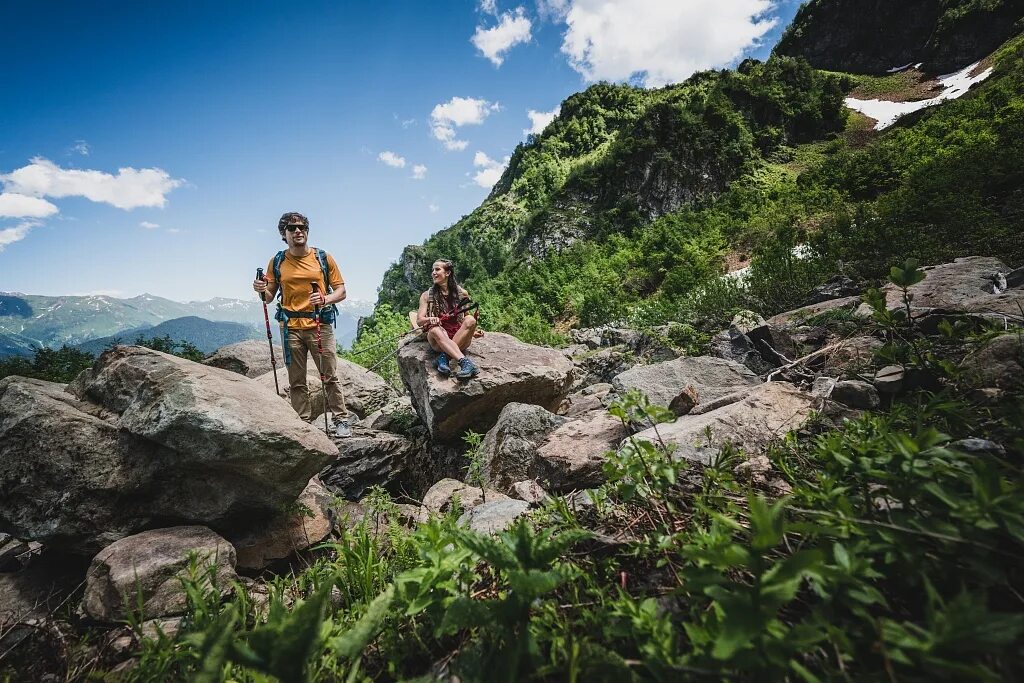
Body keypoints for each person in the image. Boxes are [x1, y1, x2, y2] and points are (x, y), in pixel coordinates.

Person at [253, 212, 352, 437]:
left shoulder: (323, 258)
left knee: (329, 374)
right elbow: (269, 297)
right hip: (290, 326)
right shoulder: (277, 261)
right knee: (296, 379)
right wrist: (261, 289)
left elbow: (342, 291)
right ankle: (303, 422)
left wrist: (326, 299)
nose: (298, 231)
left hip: (319, 322)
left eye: (302, 227)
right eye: (292, 228)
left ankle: (341, 420)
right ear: (283, 234)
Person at [416, 259, 481, 380]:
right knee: (435, 330)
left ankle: (443, 358)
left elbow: (465, 315)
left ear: (448, 273)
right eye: (433, 270)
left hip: (458, 336)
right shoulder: (426, 295)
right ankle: (465, 363)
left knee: (471, 319)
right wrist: (431, 319)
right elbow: (419, 320)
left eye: (437, 269)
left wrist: (473, 331)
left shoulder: (462, 293)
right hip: (439, 339)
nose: (433, 273)